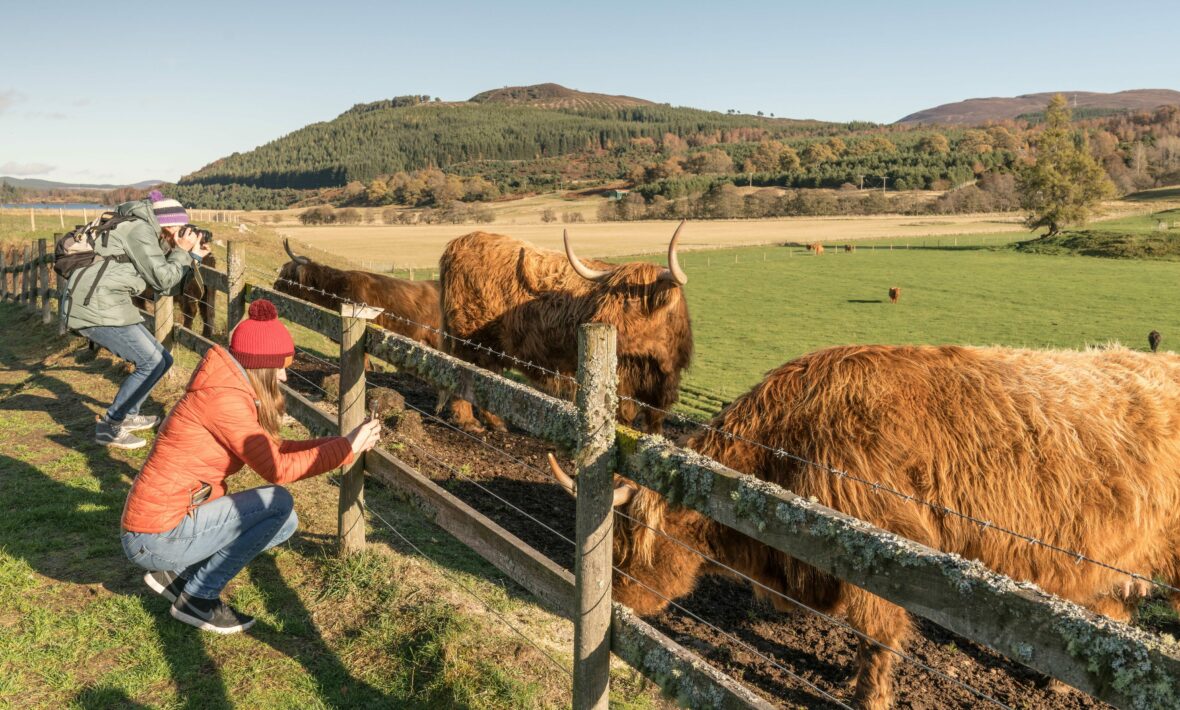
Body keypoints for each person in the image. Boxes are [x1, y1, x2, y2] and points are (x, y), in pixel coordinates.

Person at [120, 300, 382, 633]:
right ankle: (198, 598)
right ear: (259, 366)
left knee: (285, 521)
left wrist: (341, 444)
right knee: (278, 502)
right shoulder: (224, 400)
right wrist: (348, 447)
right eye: (280, 367)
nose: (284, 375)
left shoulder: (227, 388)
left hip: (168, 522)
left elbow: (276, 449)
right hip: (155, 536)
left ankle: (178, 576)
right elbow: (278, 469)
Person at [66, 190, 211, 449]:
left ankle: (129, 415)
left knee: (163, 359)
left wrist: (193, 257)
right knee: (150, 361)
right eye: (181, 226)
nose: (184, 232)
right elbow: (163, 280)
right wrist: (182, 251)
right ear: (169, 223)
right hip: (97, 306)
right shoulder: (138, 230)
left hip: (110, 303)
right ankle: (110, 426)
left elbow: (167, 285)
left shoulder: (144, 231)